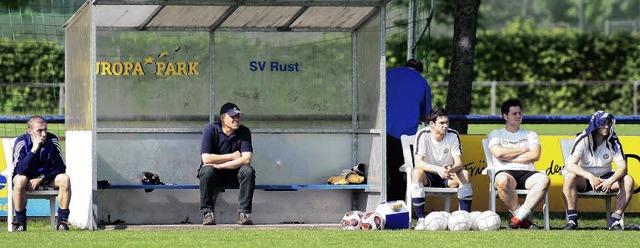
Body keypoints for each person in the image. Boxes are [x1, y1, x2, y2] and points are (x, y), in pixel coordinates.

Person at [562, 111, 634, 231]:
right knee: (569, 177)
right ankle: (572, 220)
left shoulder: (613, 139)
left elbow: (623, 167)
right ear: (595, 124)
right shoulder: (583, 138)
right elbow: (570, 165)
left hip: (607, 178)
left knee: (628, 180)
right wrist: (590, 177)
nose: (607, 126)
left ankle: (614, 221)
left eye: (608, 123)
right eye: (603, 123)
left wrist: (610, 180)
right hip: (585, 179)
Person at [487, 99, 549, 229]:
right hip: (505, 172)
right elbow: (498, 153)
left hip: (527, 172)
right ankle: (523, 220)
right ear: (505, 116)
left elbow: (535, 155)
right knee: (502, 180)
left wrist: (508, 157)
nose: (518, 116)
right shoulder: (496, 133)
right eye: (514, 113)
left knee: (544, 180)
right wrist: (523, 150)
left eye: (520, 113)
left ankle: (518, 218)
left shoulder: (530, 134)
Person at [410, 107, 472, 230]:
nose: (445, 126)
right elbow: (418, 163)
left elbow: (459, 163)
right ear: (432, 124)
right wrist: (438, 169)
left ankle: (466, 219)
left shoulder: (453, 134)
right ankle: (421, 220)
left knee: (464, 173)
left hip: (448, 176)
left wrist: (451, 169)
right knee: (416, 173)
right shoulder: (423, 134)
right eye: (442, 123)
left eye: (447, 122)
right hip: (428, 175)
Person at [199, 102, 256, 225]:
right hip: (214, 175)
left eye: (238, 116)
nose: (236, 119)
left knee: (248, 170)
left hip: (234, 175)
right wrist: (232, 156)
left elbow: (246, 159)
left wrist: (222, 165)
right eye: (233, 116)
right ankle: (207, 213)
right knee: (206, 170)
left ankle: (243, 214)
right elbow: (206, 159)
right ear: (222, 118)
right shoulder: (210, 130)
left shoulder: (244, 131)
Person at [11, 116, 71, 231]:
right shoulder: (21, 141)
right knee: (20, 179)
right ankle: (20, 223)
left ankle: (62, 223)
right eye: (39, 130)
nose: (43, 134)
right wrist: (34, 150)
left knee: (65, 179)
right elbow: (19, 170)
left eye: (45, 129)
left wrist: (41, 178)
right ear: (30, 131)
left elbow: (60, 167)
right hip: (26, 179)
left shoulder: (52, 140)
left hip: (46, 178)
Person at [386, 58, 432, 201]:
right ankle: (395, 206)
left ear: (404, 66)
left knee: (376, 171)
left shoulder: (387, 73)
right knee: (398, 173)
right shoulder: (422, 82)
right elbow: (426, 115)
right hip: (403, 135)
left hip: (379, 130)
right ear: (419, 71)